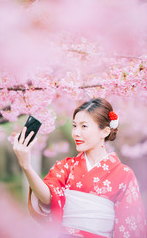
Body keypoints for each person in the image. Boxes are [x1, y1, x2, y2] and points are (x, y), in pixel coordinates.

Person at [13, 97, 147, 238]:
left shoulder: (124, 174)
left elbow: (129, 227)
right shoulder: (65, 166)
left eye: (84, 126)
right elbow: (49, 198)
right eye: (74, 125)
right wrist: (26, 166)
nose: (76, 133)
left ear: (105, 131)